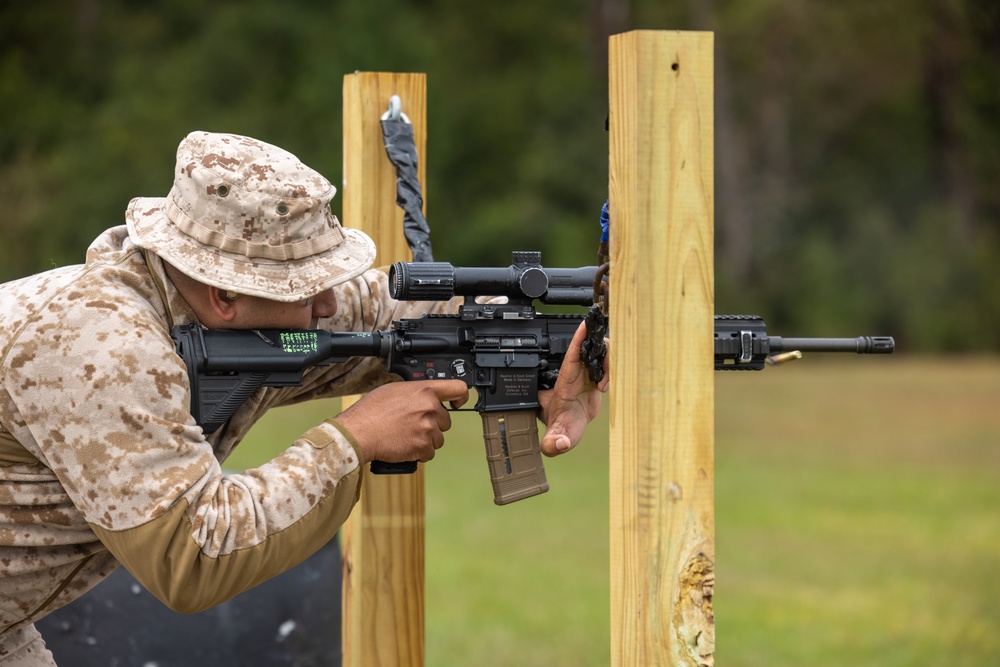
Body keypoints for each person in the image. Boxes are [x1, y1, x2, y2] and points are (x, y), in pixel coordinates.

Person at [0, 131, 608, 665]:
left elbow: (394, 310)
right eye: (306, 286)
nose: (326, 304)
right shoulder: (103, 350)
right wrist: (354, 439)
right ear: (224, 296)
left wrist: (541, 351)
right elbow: (192, 554)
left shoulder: (209, 308)